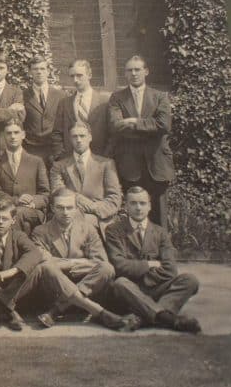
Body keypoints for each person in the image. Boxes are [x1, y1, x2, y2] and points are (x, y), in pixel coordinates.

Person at [0, 197, 128, 333]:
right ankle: (7, 310)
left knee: (34, 268)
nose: (0, 222)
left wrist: (9, 273)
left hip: (16, 289)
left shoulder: (18, 236)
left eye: (5, 219)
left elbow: (35, 254)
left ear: (13, 220)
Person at [105, 187, 200, 333]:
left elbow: (170, 269)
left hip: (156, 288)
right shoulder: (114, 230)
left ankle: (144, 317)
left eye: (142, 203)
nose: (138, 207)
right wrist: (150, 264)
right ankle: (169, 319)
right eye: (133, 203)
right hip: (130, 290)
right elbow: (119, 266)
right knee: (120, 283)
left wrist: (143, 275)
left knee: (190, 280)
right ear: (126, 206)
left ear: (149, 206)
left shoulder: (160, 232)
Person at [32, 188, 116, 327]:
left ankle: (57, 310)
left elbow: (100, 262)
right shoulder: (40, 231)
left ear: (76, 208)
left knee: (107, 268)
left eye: (70, 208)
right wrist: (76, 262)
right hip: (55, 286)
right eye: (60, 208)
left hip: (86, 283)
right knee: (46, 268)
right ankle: (95, 311)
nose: (65, 212)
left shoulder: (88, 229)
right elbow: (44, 262)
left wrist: (63, 264)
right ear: (52, 208)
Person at [108, 56, 174, 227]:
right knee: (134, 211)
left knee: (159, 213)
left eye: (137, 69)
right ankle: (137, 249)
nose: (134, 73)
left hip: (156, 163)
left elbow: (164, 125)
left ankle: (161, 249)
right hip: (130, 164)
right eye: (130, 70)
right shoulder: (117, 98)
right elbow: (115, 126)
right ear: (125, 73)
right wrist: (149, 129)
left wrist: (134, 122)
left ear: (146, 71)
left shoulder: (160, 96)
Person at [50, 123, 121, 236]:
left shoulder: (106, 164)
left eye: (82, 136)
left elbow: (114, 199)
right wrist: (79, 202)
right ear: (70, 139)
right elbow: (58, 194)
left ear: (90, 137)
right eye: (74, 136)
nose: (78, 140)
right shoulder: (59, 166)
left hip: (100, 219)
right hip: (69, 218)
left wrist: (92, 207)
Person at [0, 119, 50, 235]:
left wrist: (33, 202)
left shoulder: (36, 161)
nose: (13, 136)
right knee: (9, 216)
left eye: (16, 132)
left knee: (18, 213)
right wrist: (16, 201)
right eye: (9, 133)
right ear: (3, 136)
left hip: (32, 211)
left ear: (23, 135)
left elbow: (45, 193)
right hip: (5, 209)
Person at [51, 59, 111, 160]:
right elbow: (57, 133)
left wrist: (106, 156)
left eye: (79, 75)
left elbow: (112, 133)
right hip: (71, 160)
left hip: (99, 159)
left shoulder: (104, 101)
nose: (75, 80)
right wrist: (61, 156)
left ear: (89, 75)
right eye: (72, 76)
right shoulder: (64, 103)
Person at [23, 56, 66, 167]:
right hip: (31, 148)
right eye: (35, 69)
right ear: (30, 72)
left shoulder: (60, 95)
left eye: (42, 69)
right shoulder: (22, 95)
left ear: (48, 71)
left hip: (54, 148)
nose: (39, 72)